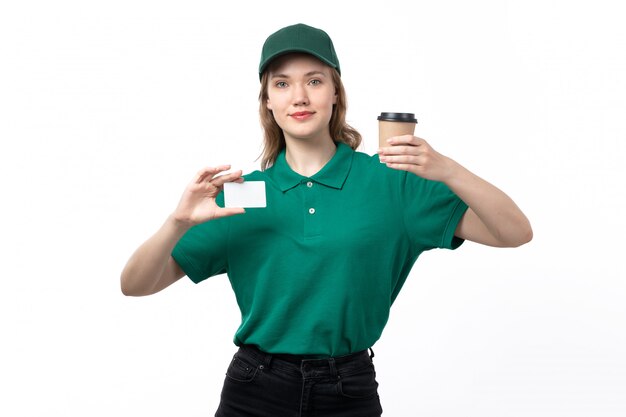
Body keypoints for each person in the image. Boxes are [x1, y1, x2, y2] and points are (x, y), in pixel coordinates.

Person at [121, 23, 532, 417]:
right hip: (255, 390)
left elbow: (515, 232)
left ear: (336, 93)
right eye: (282, 84)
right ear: (267, 101)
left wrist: (448, 170)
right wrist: (177, 221)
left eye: (314, 81)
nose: (299, 96)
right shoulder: (240, 196)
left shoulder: (393, 184)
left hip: (348, 390)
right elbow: (135, 285)